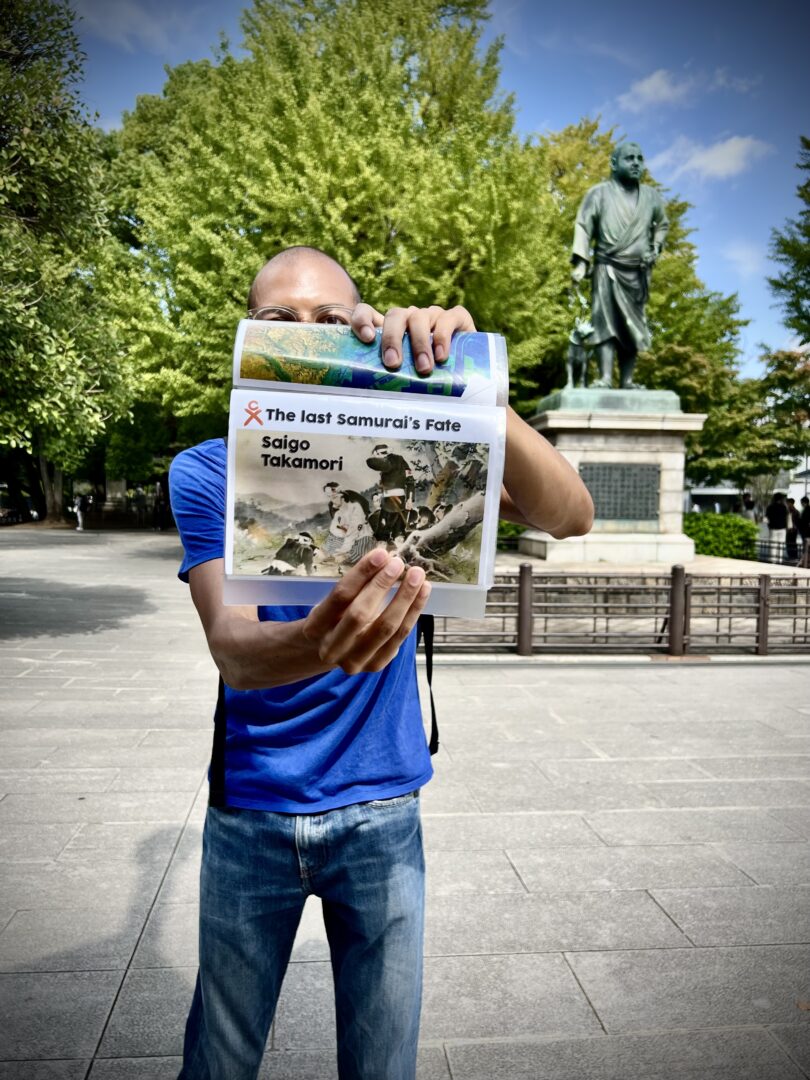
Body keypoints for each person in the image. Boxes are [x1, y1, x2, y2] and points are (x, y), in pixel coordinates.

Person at [169, 245, 594, 1080]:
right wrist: (324, 639)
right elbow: (235, 651)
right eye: (279, 322)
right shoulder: (208, 468)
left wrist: (471, 382)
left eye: (329, 321)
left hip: (383, 803)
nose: (305, 333)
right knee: (220, 1058)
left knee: (383, 1062)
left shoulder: (413, 427)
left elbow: (570, 515)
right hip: (252, 808)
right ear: (248, 334)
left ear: (362, 330)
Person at [571, 141, 669, 389]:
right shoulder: (599, 193)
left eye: (640, 158)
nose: (636, 163)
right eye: (629, 158)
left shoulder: (651, 196)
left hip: (638, 272)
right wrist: (581, 262)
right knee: (605, 322)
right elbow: (583, 225)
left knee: (632, 326)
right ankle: (605, 377)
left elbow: (662, 225)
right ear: (614, 164)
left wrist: (655, 247)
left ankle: (627, 380)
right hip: (606, 267)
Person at [366, 443, 415, 541]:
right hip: (401, 501)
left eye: (378, 454)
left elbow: (370, 462)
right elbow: (410, 480)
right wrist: (410, 499)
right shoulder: (401, 460)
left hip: (390, 502)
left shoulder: (390, 461)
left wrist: (375, 455)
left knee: (382, 534)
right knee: (398, 533)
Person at [765, 492, 789, 562]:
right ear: (781, 499)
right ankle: (779, 560)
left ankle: (773, 560)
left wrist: (769, 526)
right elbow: (787, 517)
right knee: (780, 545)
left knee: (773, 545)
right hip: (782, 529)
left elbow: (766, 518)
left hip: (773, 528)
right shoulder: (784, 507)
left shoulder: (770, 507)